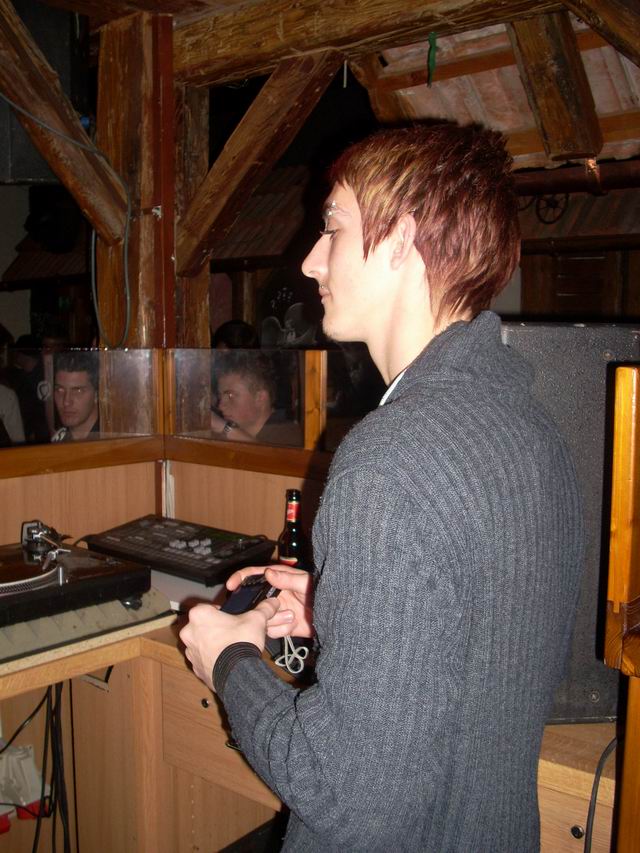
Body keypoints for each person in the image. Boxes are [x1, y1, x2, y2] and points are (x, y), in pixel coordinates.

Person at [180, 123, 584, 852]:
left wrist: (229, 662)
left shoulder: (390, 460)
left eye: (333, 227)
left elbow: (350, 797)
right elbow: (492, 646)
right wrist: (345, 608)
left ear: (400, 240)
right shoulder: (531, 426)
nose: (311, 259)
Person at [210, 351, 302, 446]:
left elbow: (271, 454)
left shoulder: (289, 434)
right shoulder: (231, 436)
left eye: (230, 395)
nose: (220, 406)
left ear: (260, 398)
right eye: (220, 396)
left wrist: (223, 428)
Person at [51, 352, 100, 442]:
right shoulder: (59, 440)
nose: (66, 402)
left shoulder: (112, 440)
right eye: (60, 390)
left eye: (78, 391)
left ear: (97, 394)